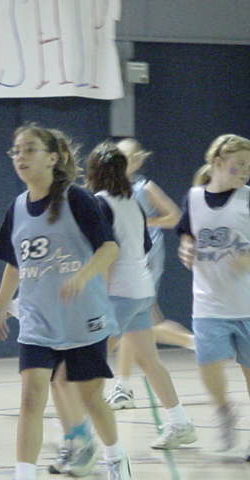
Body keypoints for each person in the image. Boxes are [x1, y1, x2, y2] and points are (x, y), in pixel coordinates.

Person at [0, 123, 131, 480]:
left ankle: (116, 458)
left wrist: (82, 276)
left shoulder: (77, 199)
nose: (20, 157)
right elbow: (14, 263)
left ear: (53, 158)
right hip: (37, 319)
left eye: (29, 149)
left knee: (89, 398)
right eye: (16, 151)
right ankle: (24, 474)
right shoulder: (16, 208)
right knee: (30, 399)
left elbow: (109, 248)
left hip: (82, 317)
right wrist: (0, 306)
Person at [86, 141, 196, 450]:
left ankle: (80, 435)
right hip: (141, 290)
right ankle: (180, 423)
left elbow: (107, 253)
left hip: (118, 293)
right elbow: (145, 246)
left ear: (94, 172)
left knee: (89, 361)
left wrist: (100, 298)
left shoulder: (99, 203)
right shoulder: (131, 203)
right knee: (149, 361)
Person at [106, 138, 194, 410]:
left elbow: (175, 216)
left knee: (128, 324)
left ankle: (122, 387)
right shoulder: (110, 190)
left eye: (127, 158)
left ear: (137, 161)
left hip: (146, 260)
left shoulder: (145, 188)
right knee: (140, 326)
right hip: (124, 263)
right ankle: (199, 343)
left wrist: (143, 220)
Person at [177, 134, 250, 460]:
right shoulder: (194, 198)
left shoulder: (247, 199)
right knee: (207, 364)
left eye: (249, 166)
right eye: (240, 164)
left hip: (246, 304)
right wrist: (186, 246)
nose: (246, 171)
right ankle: (224, 410)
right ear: (218, 163)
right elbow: (186, 233)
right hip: (208, 302)